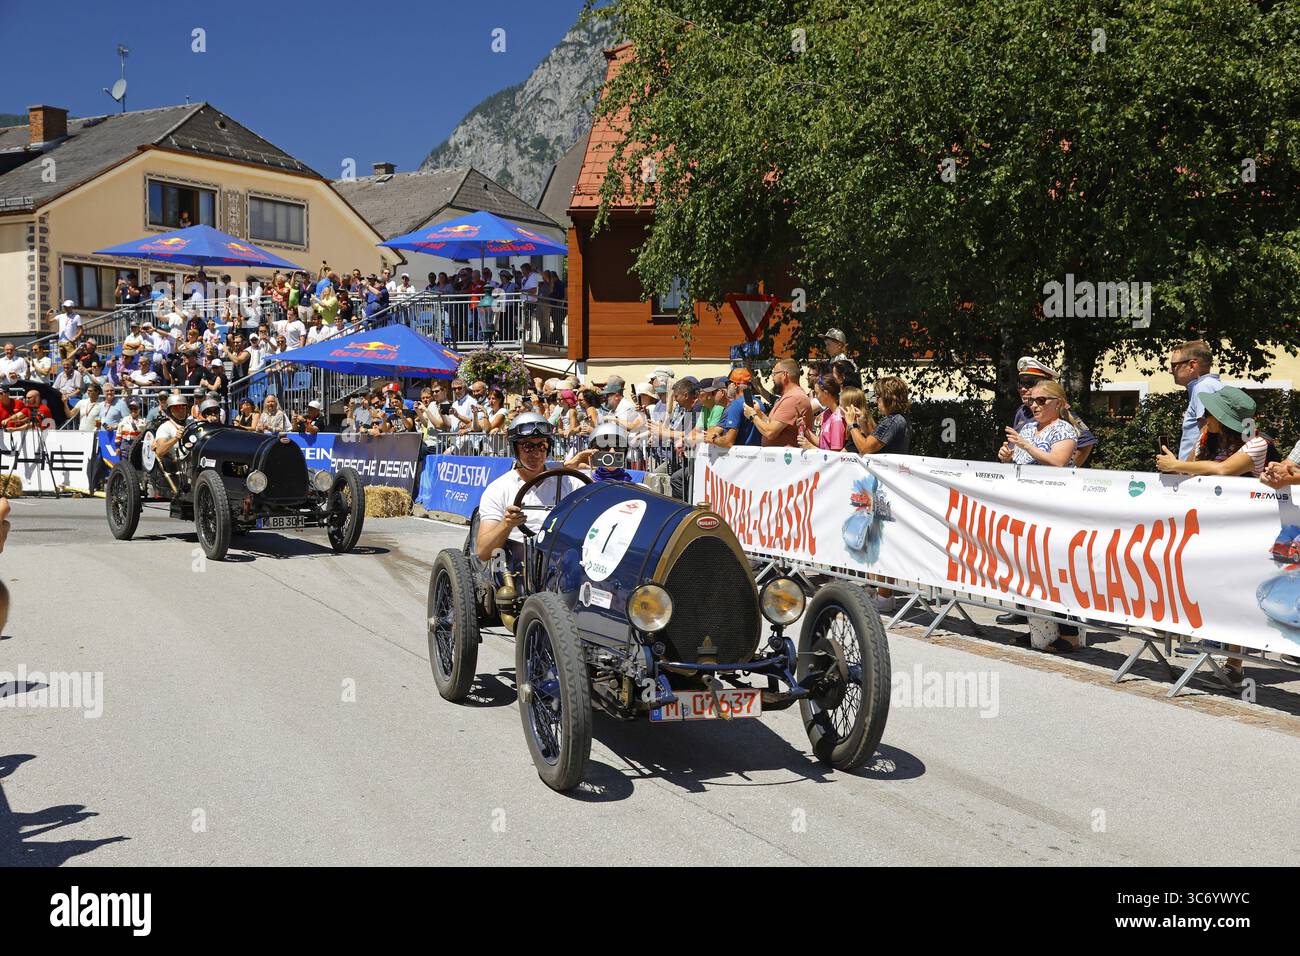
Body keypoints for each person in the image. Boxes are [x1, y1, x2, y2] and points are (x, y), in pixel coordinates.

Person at [476, 412, 585, 564]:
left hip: (563, 558)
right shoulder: (498, 489)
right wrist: (506, 524)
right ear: (515, 448)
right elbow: (483, 551)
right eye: (528, 446)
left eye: (542, 446)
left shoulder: (569, 481)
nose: (536, 453)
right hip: (519, 562)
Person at [1010, 356, 1097, 466]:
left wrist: (1069, 469)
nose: (1023, 389)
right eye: (1020, 383)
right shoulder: (1021, 412)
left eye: (1030, 383)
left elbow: (1086, 444)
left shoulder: (1063, 411)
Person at [998, 380, 1079, 467]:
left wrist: (1026, 445)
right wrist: (1007, 458)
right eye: (1031, 401)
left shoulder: (1064, 429)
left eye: (1040, 400)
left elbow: (1059, 463)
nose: (1033, 405)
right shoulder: (1028, 427)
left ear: (1058, 403)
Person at [1170, 339, 1225, 461]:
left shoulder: (1203, 388)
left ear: (1192, 365)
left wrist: (1184, 469)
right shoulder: (1210, 385)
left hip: (1196, 475)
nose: (1170, 371)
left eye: (1174, 365)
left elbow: (1206, 434)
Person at [743, 359, 813, 447]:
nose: (772, 378)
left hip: (786, 459)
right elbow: (771, 424)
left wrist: (753, 416)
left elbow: (770, 433)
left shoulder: (793, 398)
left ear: (784, 375)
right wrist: (759, 413)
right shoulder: (788, 396)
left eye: (774, 374)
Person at [846, 377, 912, 455]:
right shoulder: (901, 418)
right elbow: (877, 442)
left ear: (888, 398)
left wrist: (852, 425)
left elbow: (864, 449)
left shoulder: (893, 421)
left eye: (878, 397)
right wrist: (864, 423)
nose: (876, 400)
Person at [799, 377, 847, 451]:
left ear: (826, 393)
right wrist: (805, 429)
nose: (816, 397)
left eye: (817, 393)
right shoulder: (826, 414)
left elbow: (835, 454)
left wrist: (810, 447)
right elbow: (822, 443)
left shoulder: (838, 419)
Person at [150, 394, 193, 465]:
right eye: (176, 407)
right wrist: (175, 438)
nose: (181, 410)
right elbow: (159, 451)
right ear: (169, 410)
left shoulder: (193, 422)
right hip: (179, 465)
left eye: (183, 407)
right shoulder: (165, 427)